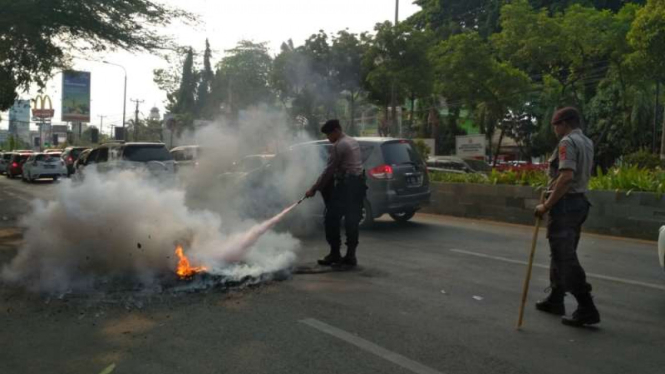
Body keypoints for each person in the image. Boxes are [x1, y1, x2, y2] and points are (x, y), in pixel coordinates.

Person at [534, 107, 600, 327]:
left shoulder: (566, 143)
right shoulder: (586, 142)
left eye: (555, 125)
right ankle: (555, 298)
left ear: (564, 124)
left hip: (565, 205)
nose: (554, 129)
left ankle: (586, 307)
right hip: (579, 203)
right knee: (560, 254)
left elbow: (566, 177)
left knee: (565, 258)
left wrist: (546, 205)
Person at [305, 119, 366, 268]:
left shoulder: (339, 145)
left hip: (346, 187)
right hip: (358, 185)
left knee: (331, 219)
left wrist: (314, 188)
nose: (328, 138)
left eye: (328, 135)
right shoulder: (352, 141)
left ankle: (335, 254)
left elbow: (329, 171)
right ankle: (351, 256)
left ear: (336, 131)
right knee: (352, 221)